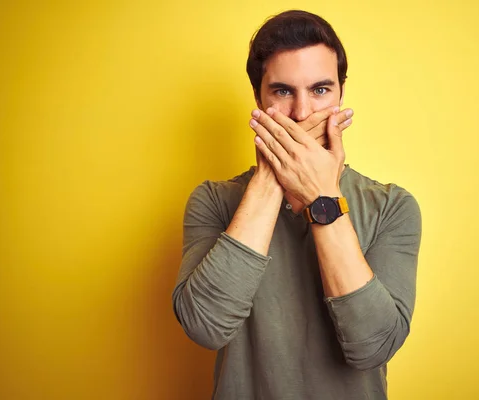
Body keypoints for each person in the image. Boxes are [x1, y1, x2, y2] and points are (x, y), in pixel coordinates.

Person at [173, 10, 422, 400]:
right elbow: (205, 326)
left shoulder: (392, 207)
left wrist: (322, 198)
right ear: (259, 100)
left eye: (320, 90)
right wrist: (271, 179)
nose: (303, 113)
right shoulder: (213, 201)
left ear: (341, 96)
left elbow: (372, 346)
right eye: (283, 91)